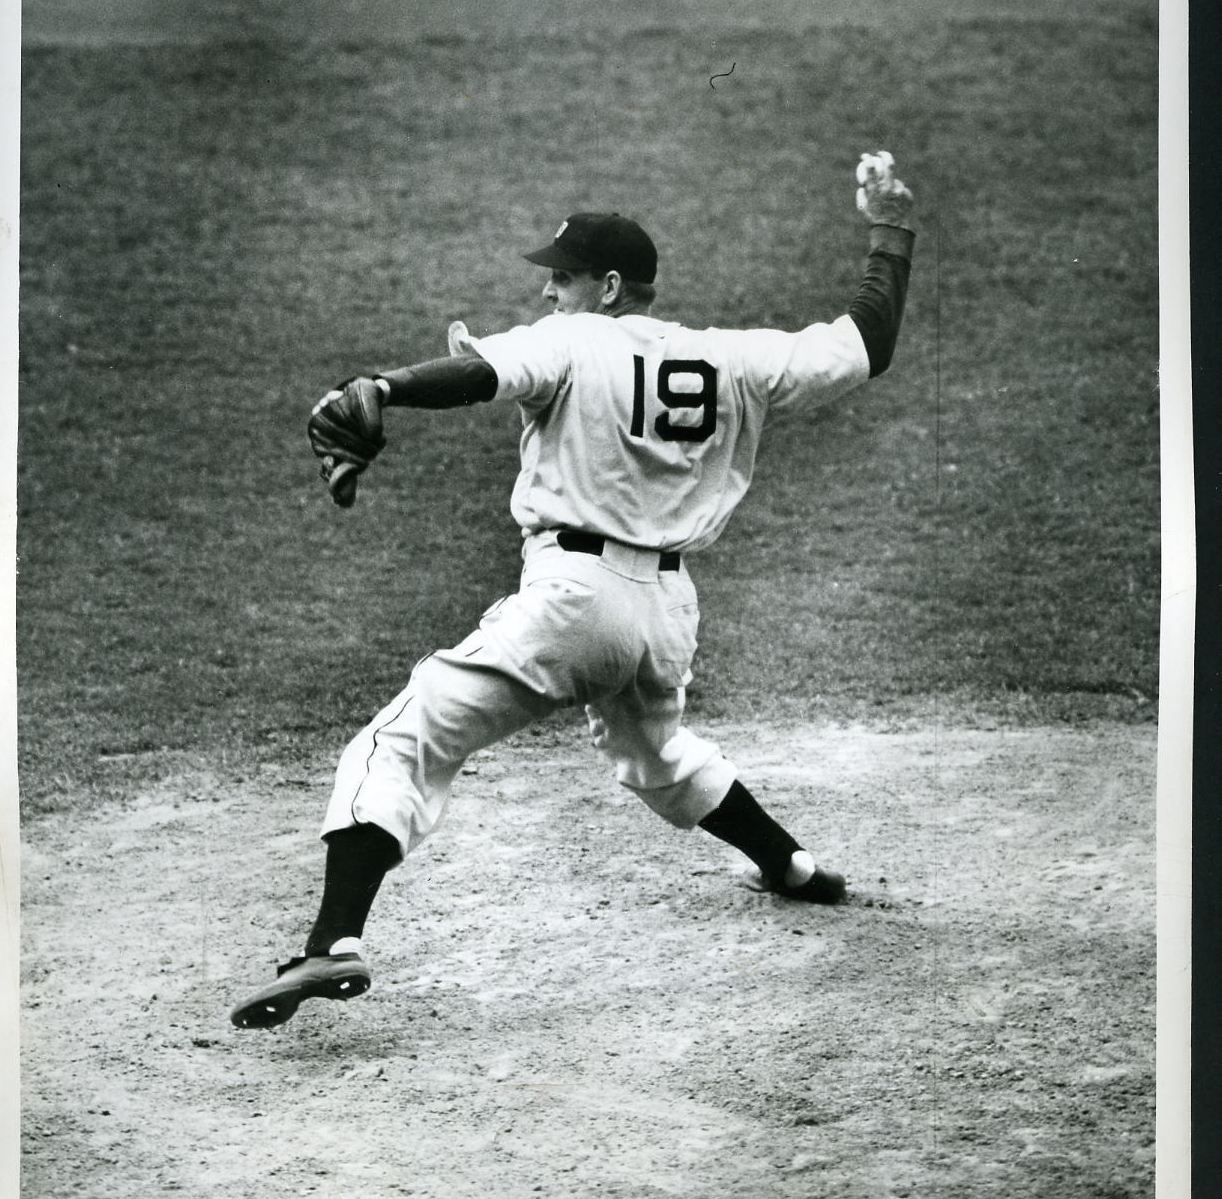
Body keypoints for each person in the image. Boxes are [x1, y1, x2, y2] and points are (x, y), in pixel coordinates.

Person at [231, 151, 916, 1029]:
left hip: (573, 600)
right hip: (666, 613)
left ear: (610, 286)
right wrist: (890, 229)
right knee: (657, 755)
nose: (549, 294)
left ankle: (331, 942)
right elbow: (868, 342)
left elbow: (483, 375)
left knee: (398, 742)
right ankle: (791, 867)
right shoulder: (736, 359)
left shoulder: (573, 337)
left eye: (561, 279)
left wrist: (381, 389)